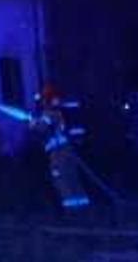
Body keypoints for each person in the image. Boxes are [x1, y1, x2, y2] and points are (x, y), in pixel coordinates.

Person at [32, 84, 92, 212]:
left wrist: (32, 123)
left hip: (58, 152)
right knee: (72, 177)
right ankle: (82, 207)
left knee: (60, 178)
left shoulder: (50, 113)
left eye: (41, 100)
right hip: (67, 149)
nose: (41, 103)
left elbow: (40, 128)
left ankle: (71, 209)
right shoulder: (58, 112)